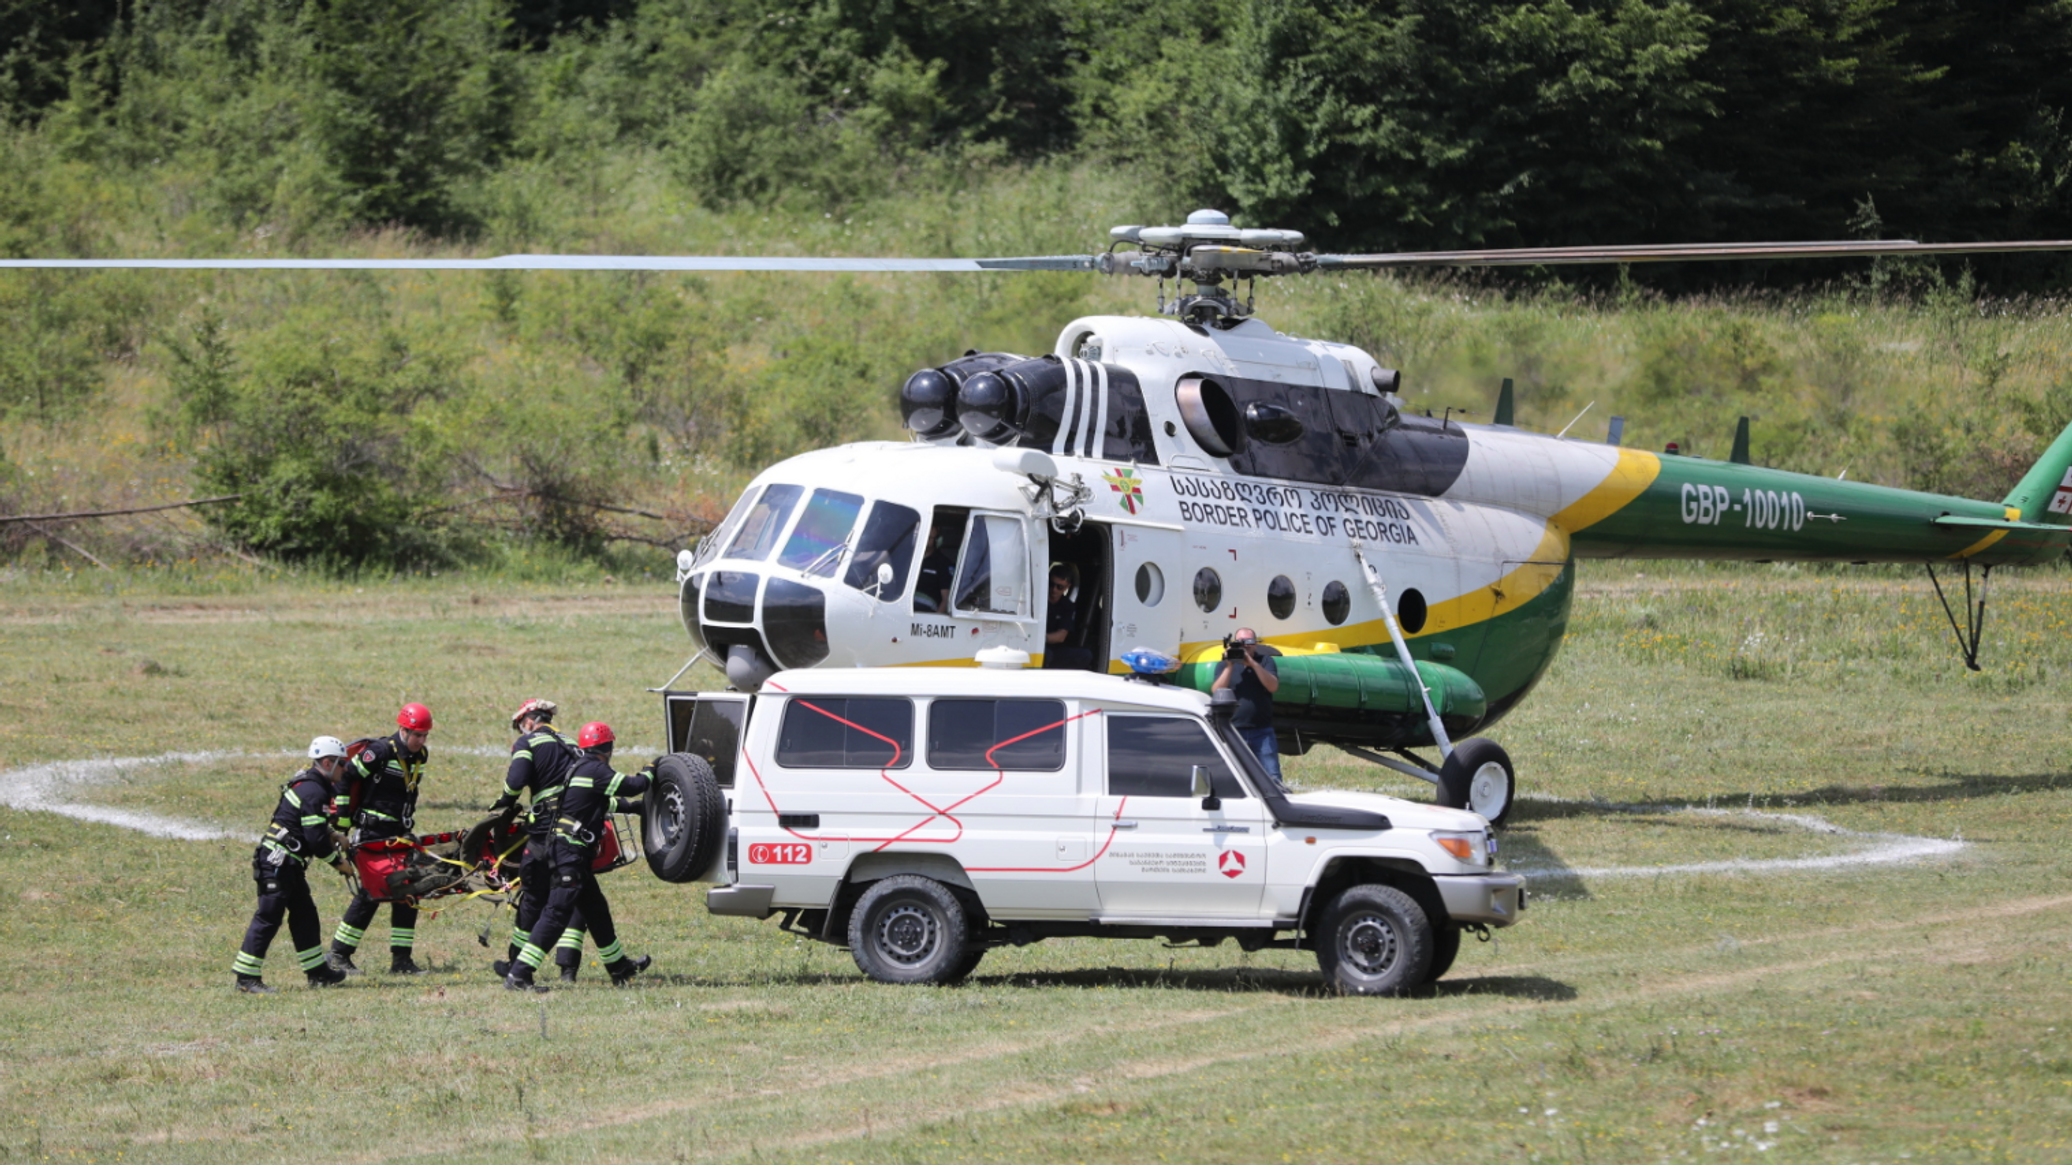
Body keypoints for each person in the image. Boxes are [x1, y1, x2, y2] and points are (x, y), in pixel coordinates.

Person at [504, 722, 653, 992]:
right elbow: (633, 785)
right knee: (556, 913)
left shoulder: (579, 769)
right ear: (608, 748)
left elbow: (597, 802)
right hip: (569, 854)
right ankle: (519, 975)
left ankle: (619, 968)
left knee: (596, 910)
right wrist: (653, 770)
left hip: (569, 852)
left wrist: (635, 808)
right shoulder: (596, 769)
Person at [234, 736, 354, 993]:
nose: (345, 769)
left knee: (305, 917)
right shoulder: (314, 790)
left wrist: (335, 836)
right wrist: (339, 863)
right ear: (327, 762)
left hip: (289, 863)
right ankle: (246, 978)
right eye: (342, 763)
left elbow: (309, 826)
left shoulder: (313, 785)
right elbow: (314, 838)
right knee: (268, 917)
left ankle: (317, 973)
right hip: (279, 862)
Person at [486, 697, 588, 984]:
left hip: (545, 834)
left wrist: (503, 801)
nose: (521, 731)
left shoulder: (528, 743)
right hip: (578, 833)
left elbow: (516, 782)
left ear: (529, 720)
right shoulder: (573, 744)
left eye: (521, 726)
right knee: (573, 895)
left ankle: (516, 963)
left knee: (533, 897)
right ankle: (568, 970)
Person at [328, 703, 434, 975]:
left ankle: (401, 961)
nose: (421, 741)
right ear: (403, 729)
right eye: (417, 735)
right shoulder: (379, 752)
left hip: (399, 834)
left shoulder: (420, 755)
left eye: (425, 735)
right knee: (371, 893)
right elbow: (345, 780)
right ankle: (339, 954)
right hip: (371, 832)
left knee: (409, 891)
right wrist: (341, 820)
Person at [1211, 627, 1283, 787]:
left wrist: (1251, 663)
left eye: (1249, 642)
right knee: (1231, 777)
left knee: (1273, 779)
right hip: (1233, 731)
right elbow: (1217, 691)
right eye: (1241, 643)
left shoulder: (1265, 661)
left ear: (1255, 644)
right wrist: (1230, 665)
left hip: (1262, 731)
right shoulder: (1223, 665)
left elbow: (1273, 686)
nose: (1245, 646)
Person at [1044, 564, 1093, 670]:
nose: (1054, 589)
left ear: (1068, 587)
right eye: (1051, 584)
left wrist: (1042, 638)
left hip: (1053, 648)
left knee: (1085, 655)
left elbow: (1061, 636)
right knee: (1046, 654)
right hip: (1035, 648)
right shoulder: (1036, 598)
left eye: (1060, 587)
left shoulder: (1068, 606)